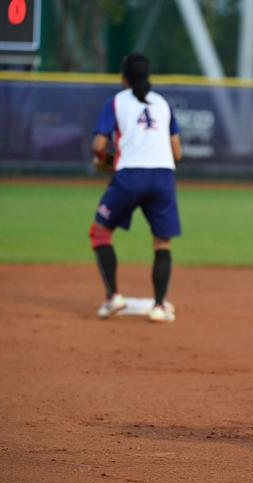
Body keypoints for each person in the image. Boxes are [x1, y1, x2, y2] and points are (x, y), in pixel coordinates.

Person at [89, 52, 183, 323]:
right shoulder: (163, 103)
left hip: (130, 175)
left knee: (99, 233)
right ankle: (158, 306)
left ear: (124, 77)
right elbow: (177, 152)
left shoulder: (115, 102)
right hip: (163, 175)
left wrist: (104, 162)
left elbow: (98, 145)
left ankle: (113, 297)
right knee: (162, 243)